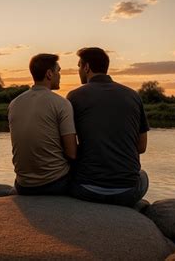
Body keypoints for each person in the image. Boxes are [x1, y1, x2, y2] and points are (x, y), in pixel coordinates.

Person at [67, 47, 149, 206]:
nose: (78, 70)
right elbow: (141, 147)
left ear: (87, 67)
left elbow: (70, 149)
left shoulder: (74, 96)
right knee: (143, 175)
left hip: (85, 190)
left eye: (79, 66)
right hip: (128, 192)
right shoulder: (133, 95)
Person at [8, 53, 78, 195]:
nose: (60, 75)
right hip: (55, 183)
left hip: (23, 185)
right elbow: (72, 154)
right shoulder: (61, 103)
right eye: (58, 71)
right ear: (49, 74)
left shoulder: (14, 103)